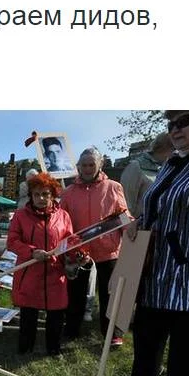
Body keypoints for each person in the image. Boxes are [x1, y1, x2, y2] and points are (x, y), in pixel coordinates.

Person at [125, 110, 189, 376]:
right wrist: (139, 223)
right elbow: (156, 206)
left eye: (185, 120)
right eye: (171, 124)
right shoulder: (171, 162)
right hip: (154, 268)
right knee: (146, 338)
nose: (175, 129)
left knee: (185, 350)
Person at [60, 147, 130, 346]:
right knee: (76, 292)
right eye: (84, 165)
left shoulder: (114, 187)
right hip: (79, 251)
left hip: (109, 249)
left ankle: (112, 332)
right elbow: (62, 220)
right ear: (78, 166)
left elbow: (123, 215)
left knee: (110, 293)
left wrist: (132, 230)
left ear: (100, 164)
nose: (88, 169)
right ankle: (72, 328)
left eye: (92, 164)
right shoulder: (68, 192)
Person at [7, 173, 73, 355]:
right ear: (31, 195)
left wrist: (77, 254)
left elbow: (70, 242)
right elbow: (12, 241)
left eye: (45, 194)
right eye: (37, 194)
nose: (41, 198)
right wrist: (32, 252)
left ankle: (53, 349)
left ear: (53, 195)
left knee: (56, 313)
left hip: (55, 272)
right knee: (28, 313)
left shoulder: (64, 216)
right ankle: (25, 348)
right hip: (29, 273)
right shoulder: (20, 215)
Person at [120, 132, 174, 218]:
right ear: (165, 147)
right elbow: (123, 206)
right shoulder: (136, 167)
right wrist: (127, 225)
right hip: (140, 225)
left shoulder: (171, 169)